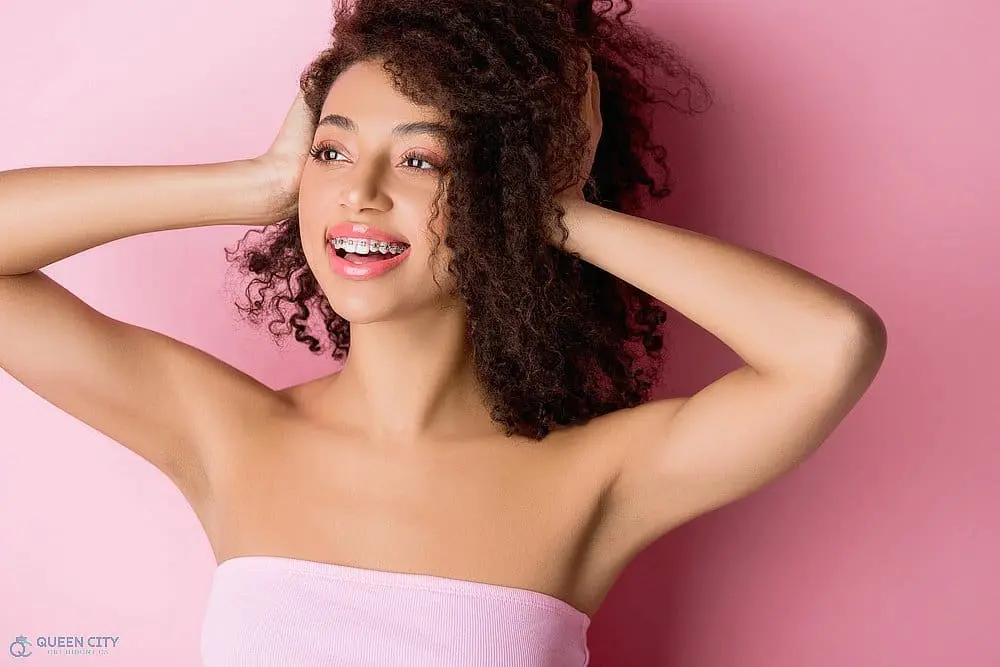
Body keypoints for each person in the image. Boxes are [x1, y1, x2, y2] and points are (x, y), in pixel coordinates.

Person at [0, 0, 887, 665]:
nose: (361, 192)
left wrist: (550, 206)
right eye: (335, 151)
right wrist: (259, 179)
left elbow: (832, 348)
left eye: (423, 159)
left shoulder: (596, 477)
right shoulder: (229, 433)